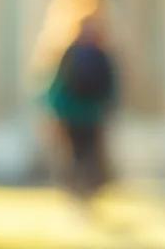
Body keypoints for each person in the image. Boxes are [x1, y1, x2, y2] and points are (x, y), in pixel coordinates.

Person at [45, 13, 117, 201]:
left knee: (79, 152)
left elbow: (59, 83)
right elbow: (110, 85)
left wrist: (54, 107)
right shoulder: (99, 53)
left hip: (76, 112)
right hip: (89, 113)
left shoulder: (73, 52)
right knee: (86, 152)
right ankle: (84, 188)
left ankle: (80, 188)